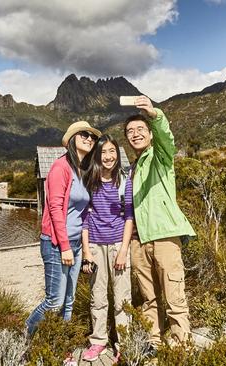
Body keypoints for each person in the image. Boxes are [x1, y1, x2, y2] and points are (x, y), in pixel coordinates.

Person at [123, 96, 196, 348]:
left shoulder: (161, 157)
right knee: (148, 296)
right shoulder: (131, 169)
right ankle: (153, 341)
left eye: (140, 130)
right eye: (130, 131)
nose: (135, 134)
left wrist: (155, 115)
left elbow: (167, 138)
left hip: (164, 236)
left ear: (150, 135)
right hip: (139, 241)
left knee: (174, 293)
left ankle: (180, 343)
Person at [25, 121, 101, 338]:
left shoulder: (83, 170)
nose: (89, 138)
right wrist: (65, 247)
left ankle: (60, 342)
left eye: (92, 136)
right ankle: (25, 335)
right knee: (54, 301)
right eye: (84, 134)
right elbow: (55, 209)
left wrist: (83, 249)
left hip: (75, 245)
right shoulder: (61, 167)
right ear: (72, 139)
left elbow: (84, 213)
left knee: (69, 300)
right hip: (57, 244)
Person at [80, 135, 134, 362]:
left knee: (122, 297)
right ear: (97, 155)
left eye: (112, 152)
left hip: (117, 245)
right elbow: (84, 219)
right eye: (104, 152)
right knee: (98, 296)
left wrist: (123, 250)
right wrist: (86, 252)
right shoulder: (89, 181)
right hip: (95, 246)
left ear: (117, 154)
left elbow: (129, 217)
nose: (109, 157)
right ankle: (99, 341)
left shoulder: (124, 181)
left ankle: (124, 343)